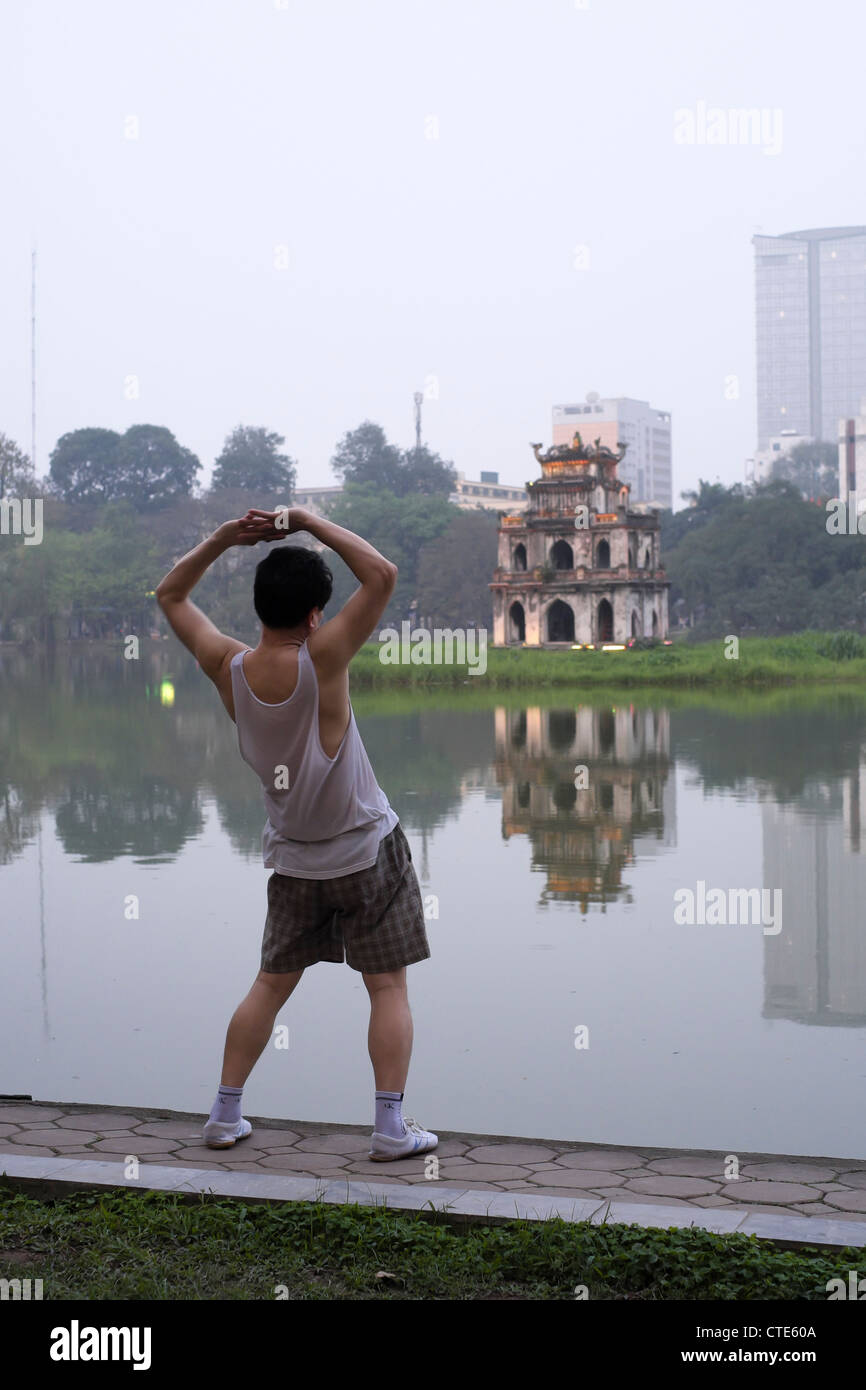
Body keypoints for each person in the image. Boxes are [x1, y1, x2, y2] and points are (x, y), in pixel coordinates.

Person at [155, 505, 436, 1161]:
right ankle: (391, 1130)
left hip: (293, 863)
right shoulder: (325, 658)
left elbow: (170, 593)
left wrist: (226, 537)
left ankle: (224, 1116)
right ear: (315, 616)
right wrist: (309, 521)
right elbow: (382, 574)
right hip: (368, 852)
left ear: (258, 608)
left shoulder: (226, 666)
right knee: (388, 987)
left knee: (269, 985)